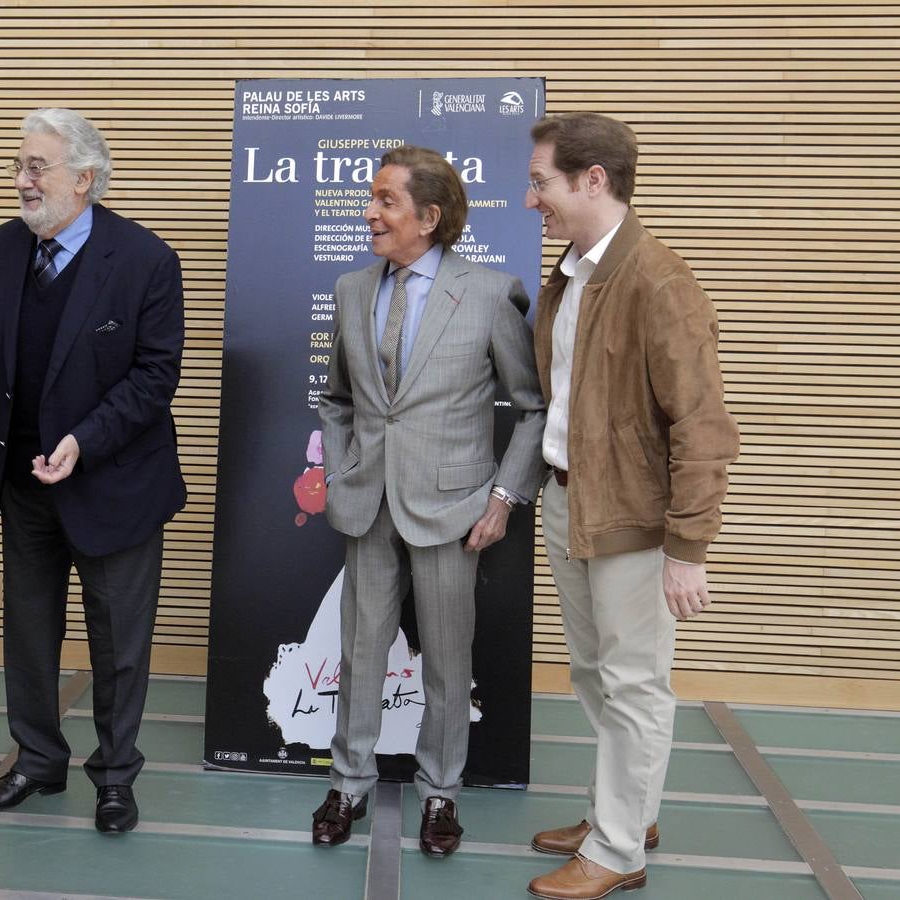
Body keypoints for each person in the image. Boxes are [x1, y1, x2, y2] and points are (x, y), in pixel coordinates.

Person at [0, 107, 185, 834]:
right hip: (24, 485)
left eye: (35, 167)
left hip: (113, 484)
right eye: (18, 165)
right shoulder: (1, 249)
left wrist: (84, 439)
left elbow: (154, 377)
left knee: (118, 644)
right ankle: (37, 760)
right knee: (28, 633)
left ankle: (115, 776)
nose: (20, 181)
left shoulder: (145, 258)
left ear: (83, 179)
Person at [522, 112, 738, 900]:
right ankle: (626, 810)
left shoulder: (659, 281)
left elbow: (704, 425)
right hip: (570, 502)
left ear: (593, 180)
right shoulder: (573, 273)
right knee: (595, 674)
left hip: (635, 523)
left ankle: (617, 851)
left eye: (541, 181)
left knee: (636, 682)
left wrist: (687, 547)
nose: (529, 198)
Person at [312, 145, 546, 856]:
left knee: (448, 661)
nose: (369, 212)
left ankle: (440, 793)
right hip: (367, 504)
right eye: (371, 198)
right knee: (359, 652)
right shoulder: (354, 289)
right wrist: (348, 461)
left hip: (453, 511)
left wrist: (503, 497)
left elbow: (532, 408)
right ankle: (347, 783)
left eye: (385, 200)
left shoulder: (488, 292)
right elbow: (338, 398)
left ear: (429, 216)